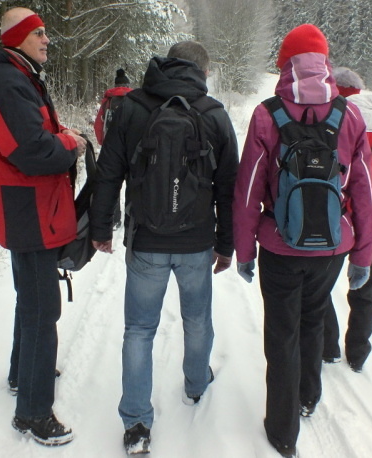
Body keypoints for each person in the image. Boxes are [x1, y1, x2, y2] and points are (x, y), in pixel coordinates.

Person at [232, 25, 372, 458]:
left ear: (285, 65)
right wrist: (363, 256)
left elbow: (248, 189)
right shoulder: (350, 116)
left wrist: (244, 250)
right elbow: (365, 192)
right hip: (332, 248)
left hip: (280, 246)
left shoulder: (267, 114)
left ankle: (282, 431)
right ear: (325, 63)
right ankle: (308, 397)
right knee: (312, 320)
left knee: (281, 334)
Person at [89, 41, 238, 455]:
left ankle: (136, 422)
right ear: (203, 73)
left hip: (146, 241)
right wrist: (226, 244)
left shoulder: (131, 108)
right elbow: (229, 187)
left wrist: (101, 227)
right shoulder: (214, 114)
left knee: (139, 329)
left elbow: (108, 173)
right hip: (196, 243)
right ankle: (196, 383)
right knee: (197, 319)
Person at [0, 6, 86, 447]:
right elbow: (34, 151)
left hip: (26, 209)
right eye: (38, 32)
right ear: (18, 38)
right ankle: (33, 413)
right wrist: (71, 144)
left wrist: (61, 133)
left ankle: (19, 375)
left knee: (31, 300)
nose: (46, 39)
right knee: (44, 311)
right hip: (29, 212)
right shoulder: (11, 82)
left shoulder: (20, 77)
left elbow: (34, 134)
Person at [322, 66, 372, 372]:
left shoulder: (333, 120)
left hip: (339, 219)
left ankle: (328, 346)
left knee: (319, 285)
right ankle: (357, 355)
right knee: (365, 290)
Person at [94, 69, 133, 230]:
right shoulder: (135, 101)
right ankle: (131, 218)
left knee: (111, 184)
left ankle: (114, 219)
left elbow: (98, 125)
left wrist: (103, 143)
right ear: (128, 85)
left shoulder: (107, 101)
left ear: (115, 85)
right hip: (131, 149)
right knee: (132, 183)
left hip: (111, 149)